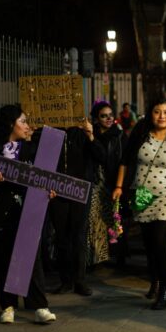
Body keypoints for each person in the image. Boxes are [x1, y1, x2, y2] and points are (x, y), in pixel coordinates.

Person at [0, 105, 56, 324]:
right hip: (0, 210)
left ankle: (39, 306)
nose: (27, 126)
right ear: (11, 124)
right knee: (5, 256)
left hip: (29, 209)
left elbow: (45, 178)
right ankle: (7, 306)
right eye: (23, 121)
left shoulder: (32, 150)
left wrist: (49, 189)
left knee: (32, 256)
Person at [112, 99, 166, 310]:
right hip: (142, 192)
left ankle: (165, 290)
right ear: (151, 114)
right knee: (149, 242)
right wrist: (119, 187)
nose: (161, 116)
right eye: (157, 111)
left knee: (160, 240)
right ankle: (155, 279)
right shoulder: (140, 136)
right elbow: (124, 161)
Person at [49, 111, 105, 297]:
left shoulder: (82, 133)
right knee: (61, 237)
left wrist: (90, 135)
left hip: (80, 190)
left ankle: (80, 280)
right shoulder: (50, 132)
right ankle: (66, 281)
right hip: (56, 191)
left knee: (79, 236)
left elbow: (101, 156)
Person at [90, 101, 128, 267]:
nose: (108, 119)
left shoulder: (119, 136)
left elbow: (124, 160)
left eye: (110, 115)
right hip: (97, 182)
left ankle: (120, 256)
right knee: (96, 219)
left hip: (114, 182)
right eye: (103, 116)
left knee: (116, 219)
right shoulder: (92, 135)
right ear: (97, 119)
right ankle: (98, 257)